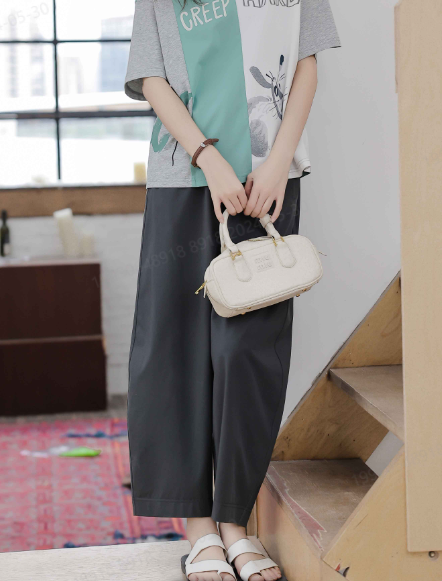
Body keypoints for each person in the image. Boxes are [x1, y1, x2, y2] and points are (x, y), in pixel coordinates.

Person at [124, 0, 340, 579]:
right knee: (176, 350)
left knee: (249, 354)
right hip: (184, 175)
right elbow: (151, 76)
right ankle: (200, 530)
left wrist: (278, 161)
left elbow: (306, 63)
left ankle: (236, 524)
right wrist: (207, 158)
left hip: (267, 180)